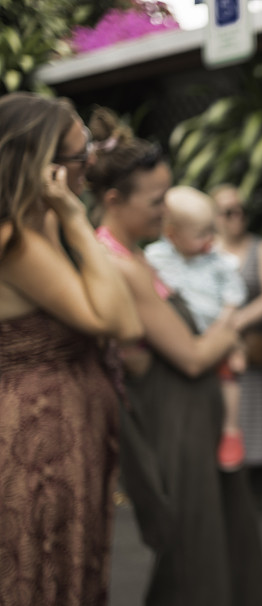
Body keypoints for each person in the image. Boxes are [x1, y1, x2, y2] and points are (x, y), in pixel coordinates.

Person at [86, 107, 262, 606]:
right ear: (112, 200)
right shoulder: (120, 265)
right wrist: (232, 319)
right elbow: (190, 356)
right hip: (174, 419)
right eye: (156, 199)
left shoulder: (138, 254)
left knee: (212, 541)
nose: (165, 210)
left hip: (191, 414)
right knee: (193, 550)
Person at [0, 92, 142, 605]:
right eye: (82, 156)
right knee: (42, 571)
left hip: (65, 431)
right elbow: (120, 319)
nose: (92, 166)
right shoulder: (15, 240)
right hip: (38, 439)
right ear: (46, 168)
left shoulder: (41, 225)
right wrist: (78, 219)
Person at [145, 185, 249, 471]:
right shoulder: (156, 258)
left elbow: (233, 297)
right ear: (172, 235)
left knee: (230, 375)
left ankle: (231, 431)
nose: (209, 239)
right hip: (179, 334)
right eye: (200, 234)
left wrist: (225, 329)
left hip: (216, 330)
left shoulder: (218, 260)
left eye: (210, 231)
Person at [211, 183, 262, 470]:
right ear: (214, 216)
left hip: (252, 347)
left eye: (241, 210)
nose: (237, 217)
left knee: (252, 413)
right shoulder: (207, 251)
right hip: (216, 348)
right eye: (228, 212)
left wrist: (236, 321)